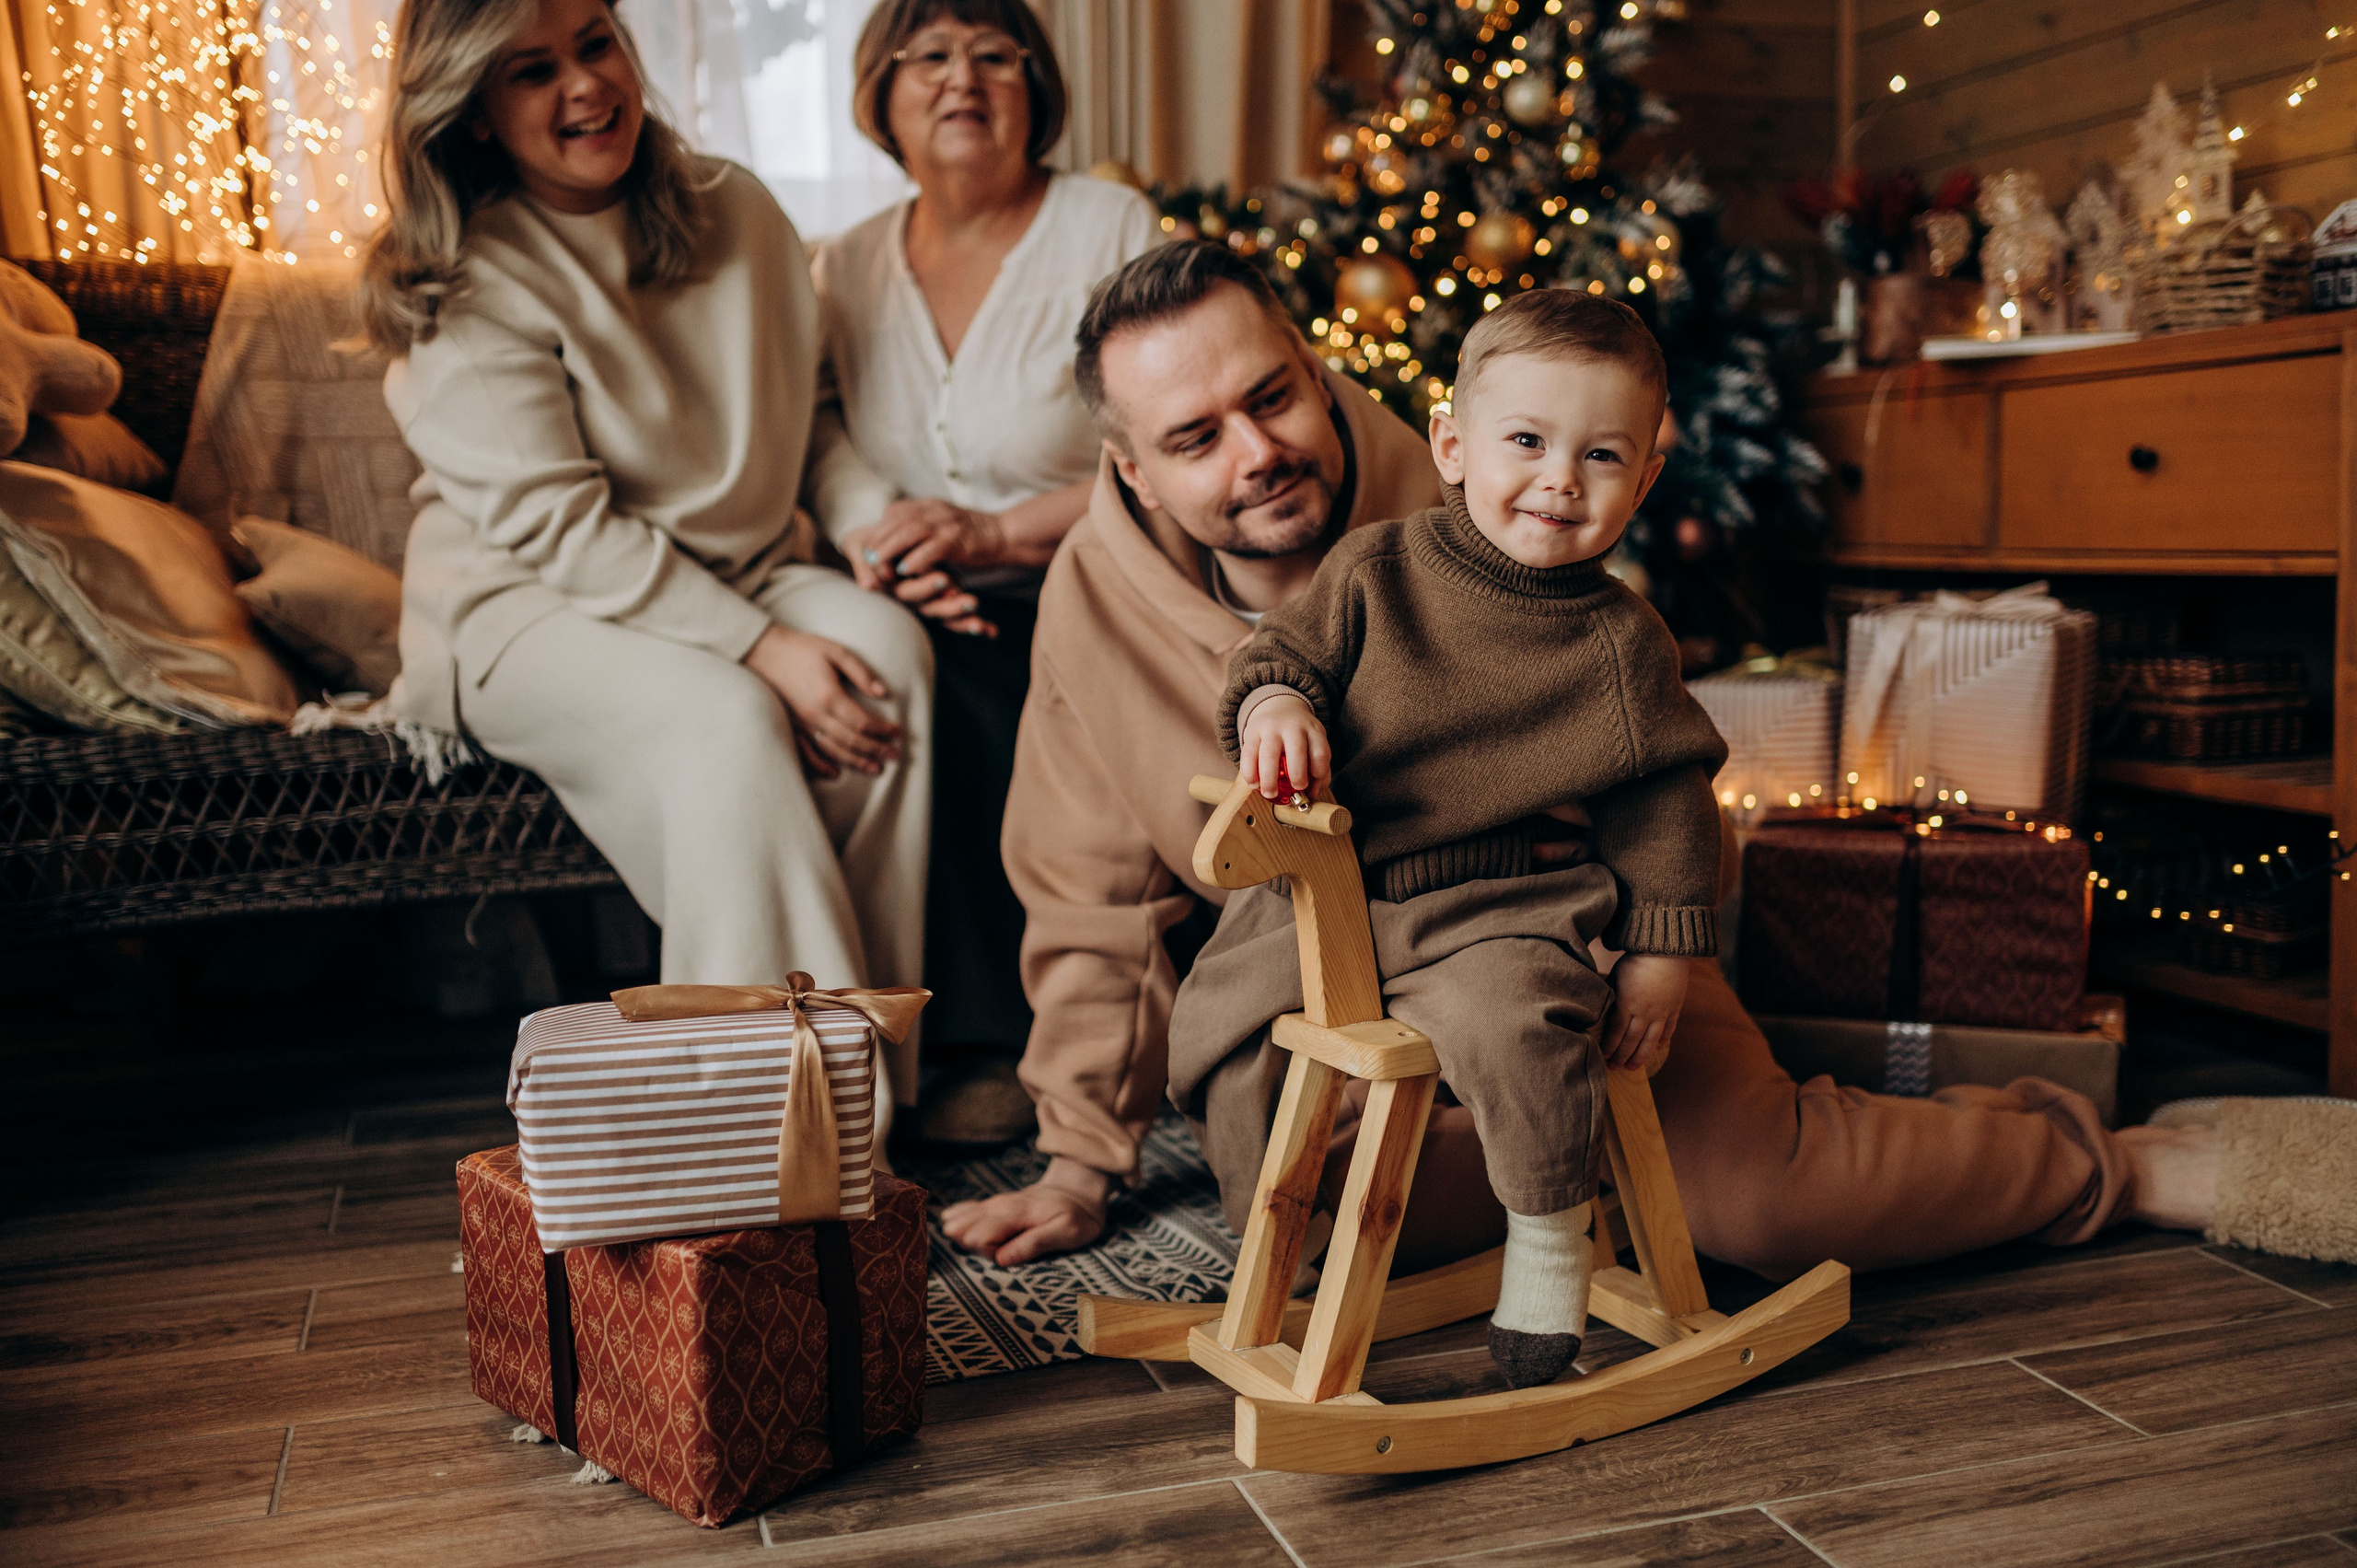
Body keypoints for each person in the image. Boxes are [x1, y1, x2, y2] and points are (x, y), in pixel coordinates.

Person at [941, 239, 2223, 1283]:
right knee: (1311, 1212)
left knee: (1755, 1206)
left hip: (1579, 946)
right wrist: (1077, 1154)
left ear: (1316, 371)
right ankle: (1594, 1175)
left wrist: (1653, 960)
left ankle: (2100, 1158)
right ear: (1134, 470)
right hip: (1325, 997)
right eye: (1195, 436)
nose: (1256, 450)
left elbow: (1662, 775)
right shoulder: (1094, 610)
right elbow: (1090, 893)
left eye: (1270, 396)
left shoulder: (1508, 484)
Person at [362, 0, 932, 1113]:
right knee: (724, 716)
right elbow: (561, 532)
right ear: (473, 112)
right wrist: (764, 646)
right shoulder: (464, 281)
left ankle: (873, 1083)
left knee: (888, 656)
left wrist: (867, 524)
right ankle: (765, 1125)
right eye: (532, 72)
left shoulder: (737, 208)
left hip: (735, 568)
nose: (585, 86)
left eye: (594, 43)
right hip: (527, 602)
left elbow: (808, 412)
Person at [1174, 290, 1724, 1388]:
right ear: (1454, 445)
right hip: (1341, 899)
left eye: (1602, 455)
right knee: (1221, 1026)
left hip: (1503, 907)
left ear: (1644, 480)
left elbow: (1669, 797)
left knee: (1516, 1024)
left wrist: (1664, 948)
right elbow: (1280, 656)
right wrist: (1277, 708)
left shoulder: (1619, 643)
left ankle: (1545, 1242)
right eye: (1527, 441)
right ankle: (1280, 1237)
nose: (1561, 479)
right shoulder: (1375, 572)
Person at [813, 0, 1160, 1144]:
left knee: (1000, 673)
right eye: (929, 56)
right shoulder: (846, 264)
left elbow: (1164, 437)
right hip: (922, 590)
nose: (962, 78)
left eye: (992, 55)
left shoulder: (1108, 225)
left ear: (1034, 86)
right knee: (898, 663)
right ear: (880, 94)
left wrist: (997, 534)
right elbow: (826, 438)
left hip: (1098, 566)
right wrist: (885, 540)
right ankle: (896, 1039)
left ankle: (1022, 1041)